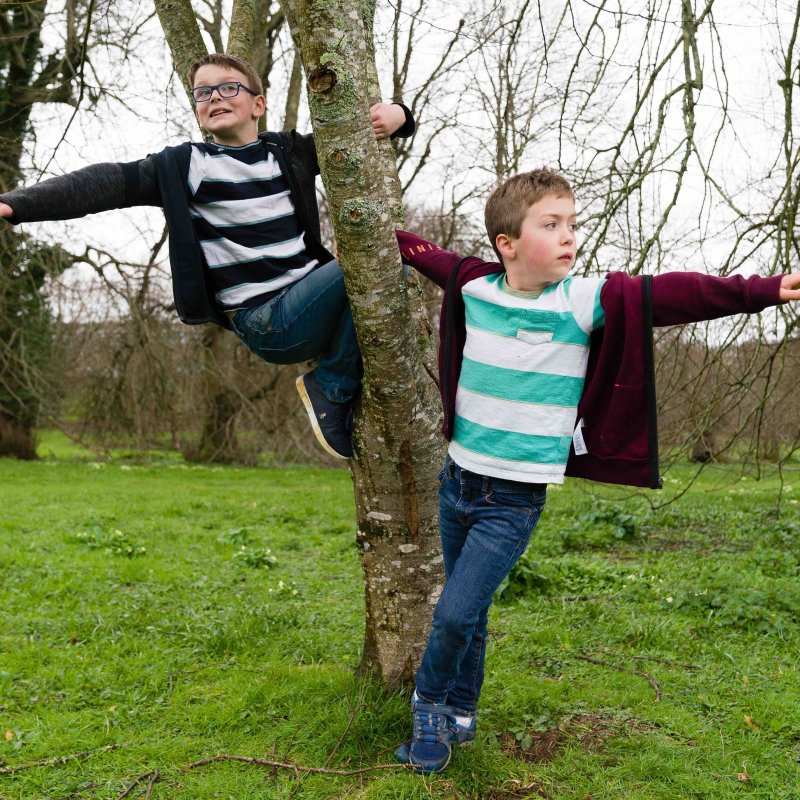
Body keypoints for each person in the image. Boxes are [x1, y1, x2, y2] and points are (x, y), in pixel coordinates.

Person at [393, 167, 800, 773]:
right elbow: (417, 249)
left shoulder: (583, 300)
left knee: (454, 611)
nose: (569, 237)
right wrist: (372, 231)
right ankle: (461, 711)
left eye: (572, 225)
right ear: (506, 244)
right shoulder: (474, 286)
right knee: (467, 608)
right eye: (551, 225)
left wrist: (764, 290)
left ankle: (427, 706)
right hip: (457, 482)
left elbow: (675, 294)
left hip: (514, 499)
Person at [0, 53, 415, 460]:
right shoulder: (190, 166)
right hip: (269, 320)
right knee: (377, 256)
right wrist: (15, 204)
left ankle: (341, 373)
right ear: (198, 113)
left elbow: (355, 133)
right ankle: (333, 386)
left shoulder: (288, 154)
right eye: (202, 93)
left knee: (383, 259)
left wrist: (398, 115)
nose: (214, 97)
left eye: (228, 87)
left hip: (313, 306)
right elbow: (106, 182)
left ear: (258, 104)